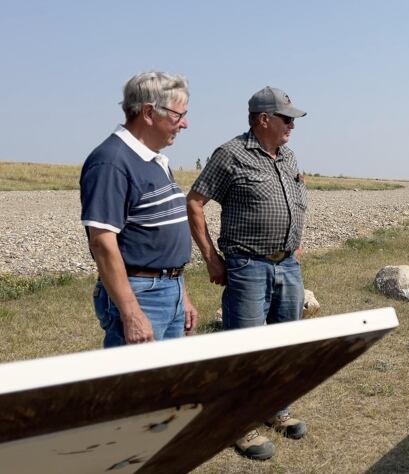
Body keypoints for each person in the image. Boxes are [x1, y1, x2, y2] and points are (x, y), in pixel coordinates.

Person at [186, 86, 308, 461]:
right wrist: (211, 258)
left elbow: (296, 198)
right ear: (263, 119)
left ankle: (274, 409)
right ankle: (238, 425)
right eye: (286, 118)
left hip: (286, 264)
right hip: (248, 265)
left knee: (283, 344)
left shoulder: (286, 156)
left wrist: (295, 242)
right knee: (245, 347)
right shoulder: (231, 154)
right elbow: (195, 201)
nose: (292, 125)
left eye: (293, 119)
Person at [80, 71, 198, 348]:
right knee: (134, 389)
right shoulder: (111, 162)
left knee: (167, 385)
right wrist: (131, 312)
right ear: (148, 112)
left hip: (170, 288)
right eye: (178, 115)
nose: (185, 124)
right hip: (142, 295)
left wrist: (182, 294)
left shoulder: (156, 160)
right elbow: (102, 242)